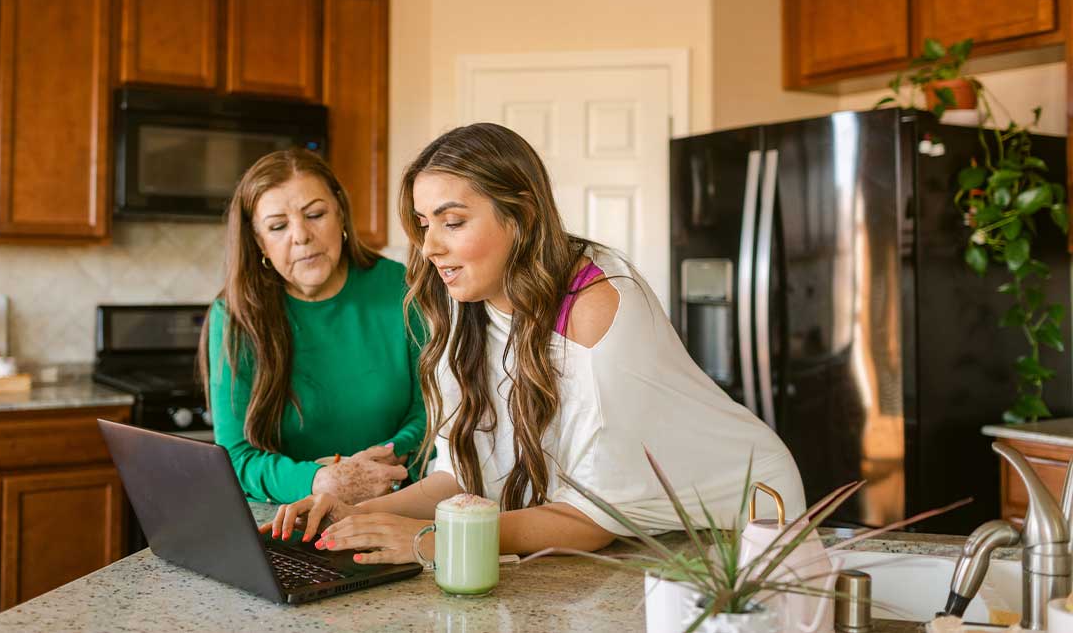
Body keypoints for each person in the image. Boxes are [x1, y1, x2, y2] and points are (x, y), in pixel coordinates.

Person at [264, 124, 803, 564]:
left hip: (739, 521)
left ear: (519, 214)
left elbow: (590, 519)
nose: (430, 246)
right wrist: (350, 517)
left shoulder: (597, 305)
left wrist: (433, 540)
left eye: (453, 221)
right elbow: (460, 475)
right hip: (643, 537)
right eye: (424, 224)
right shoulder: (462, 297)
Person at [198, 148, 426, 506]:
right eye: (278, 226)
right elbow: (235, 456)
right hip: (286, 516)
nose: (301, 236)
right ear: (259, 242)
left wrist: (387, 456)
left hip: (396, 503)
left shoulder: (400, 287)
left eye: (315, 214)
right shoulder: (234, 315)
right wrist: (322, 480)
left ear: (340, 213)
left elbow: (431, 408)